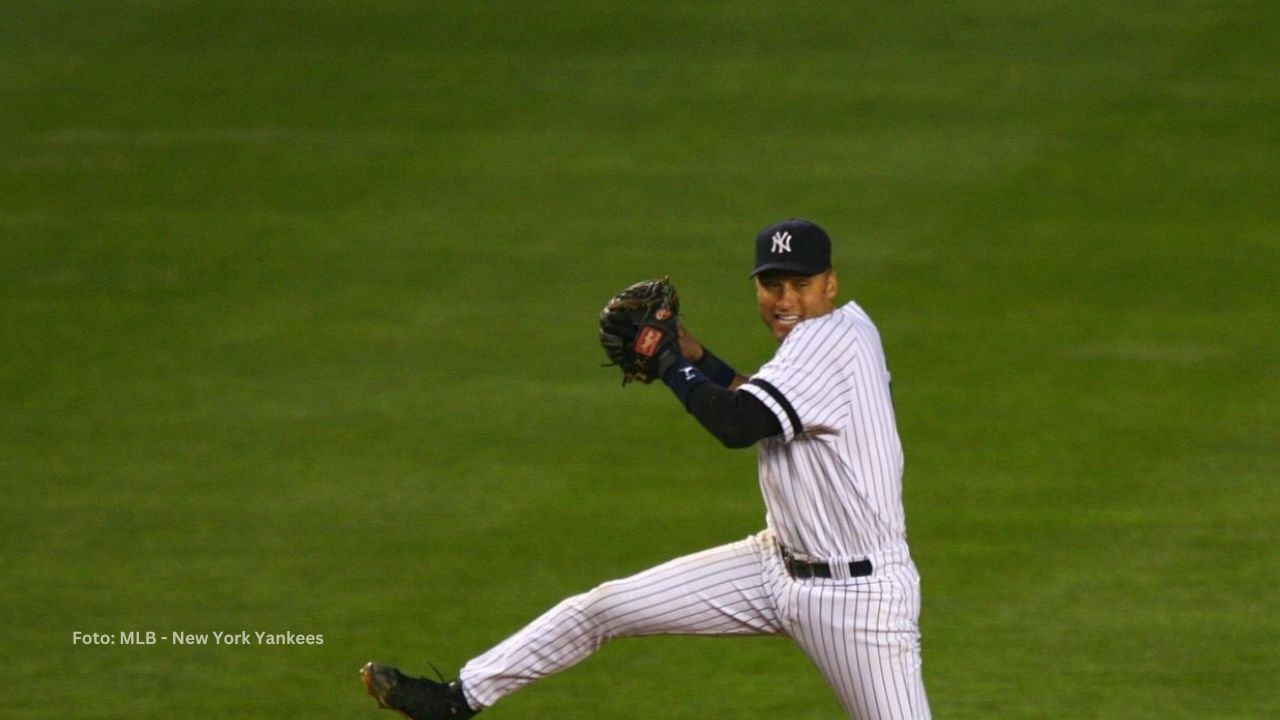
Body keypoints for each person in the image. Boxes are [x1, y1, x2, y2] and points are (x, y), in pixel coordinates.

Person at [361, 218, 931, 719]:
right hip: (772, 567)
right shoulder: (817, 340)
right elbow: (754, 400)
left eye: (801, 285)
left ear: (831, 284)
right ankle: (458, 700)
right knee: (604, 608)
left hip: (859, 600)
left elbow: (736, 423)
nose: (786, 299)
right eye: (771, 284)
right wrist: (695, 358)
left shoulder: (832, 339)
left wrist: (667, 362)